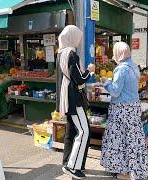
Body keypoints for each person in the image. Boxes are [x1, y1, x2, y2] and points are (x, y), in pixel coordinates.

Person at [100, 42, 148, 180]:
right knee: (133, 141)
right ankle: (134, 171)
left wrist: (105, 81)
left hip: (121, 110)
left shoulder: (121, 69)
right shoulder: (133, 66)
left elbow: (115, 92)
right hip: (133, 108)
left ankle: (123, 173)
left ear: (118, 53)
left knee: (118, 140)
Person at [56, 25, 95, 179]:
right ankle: (73, 166)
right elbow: (79, 78)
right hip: (74, 99)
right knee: (84, 131)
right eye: (77, 37)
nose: (78, 41)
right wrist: (89, 71)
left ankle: (68, 163)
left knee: (71, 131)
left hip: (66, 98)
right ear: (72, 37)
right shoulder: (72, 54)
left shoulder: (60, 53)